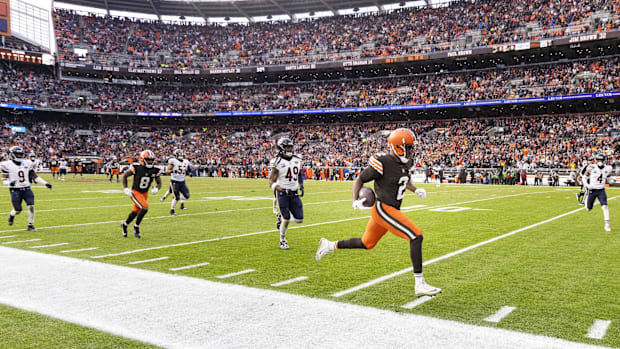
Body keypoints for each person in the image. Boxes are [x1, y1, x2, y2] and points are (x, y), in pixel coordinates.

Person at [315, 128, 441, 297]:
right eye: (409, 147)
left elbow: (403, 179)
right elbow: (360, 179)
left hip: (389, 210)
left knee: (367, 243)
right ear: (397, 147)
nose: (412, 151)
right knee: (416, 236)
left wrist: (416, 190)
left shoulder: (405, 163)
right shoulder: (382, 162)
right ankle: (419, 284)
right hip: (383, 209)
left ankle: (329, 245)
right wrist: (354, 201)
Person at [1, 146, 52, 231]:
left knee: (31, 205)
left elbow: (34, 176)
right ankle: (12, 214)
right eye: (17, 154)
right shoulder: (6, 164)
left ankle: (30, 225)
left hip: (26, 188)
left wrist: (45, 183)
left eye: (20, 154)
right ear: (12, 155)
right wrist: (10, 183)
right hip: (15, 189)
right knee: (18, 210)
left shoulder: (27, 163)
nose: (19, 156)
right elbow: (4, 180)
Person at [269, 137, 304, 250]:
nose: (289, 149)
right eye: (287, 147)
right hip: (283, 194)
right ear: (281, 148)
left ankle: (281, 217)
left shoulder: (297, 160)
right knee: (287, 219)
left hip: (294, 193)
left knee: (300, 219)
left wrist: (301, 185)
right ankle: (282, 240)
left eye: (290, 147)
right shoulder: (277, 162)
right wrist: (276, 187)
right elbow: (271, 180)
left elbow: (298, 173)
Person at [121, 150, 161, 238]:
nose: (150, 161)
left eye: (151, 159)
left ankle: (124, 224)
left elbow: (159, 182)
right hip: (135, 192)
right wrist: (126, 188)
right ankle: (136, 227)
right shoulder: (137, 167)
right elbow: (124, 176)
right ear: (142, 159)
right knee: (144, 207)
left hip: (145, 193)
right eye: (148, 159)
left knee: (135, 211)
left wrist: (157, 188)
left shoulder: (155, 169)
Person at [582, 154, 613, 231]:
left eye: (601, 160)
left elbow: (609, 178)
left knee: (605, 207)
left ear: (604, 160)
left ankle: (607, 225)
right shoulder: (592, 167)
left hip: (601, 190)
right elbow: (584, 178)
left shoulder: (608, 168)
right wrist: (587, 185)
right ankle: (586, 200)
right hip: (592, 189)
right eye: (599, 160)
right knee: (588, 208)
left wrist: (612, 180)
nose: (600, 162)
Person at [163, 149, 192, 216]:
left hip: (182, 182)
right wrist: (172, 171)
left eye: (181, 154)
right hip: (174, 181)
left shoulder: (186, 161)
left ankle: (180, 202)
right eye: (179, 154)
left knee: (187, 196)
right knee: (176, 197)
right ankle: (172, 210)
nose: (181, 156)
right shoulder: (173, 161)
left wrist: (189, 173)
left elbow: (186, 170)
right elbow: (167, 171)